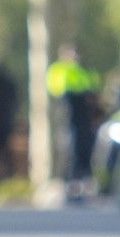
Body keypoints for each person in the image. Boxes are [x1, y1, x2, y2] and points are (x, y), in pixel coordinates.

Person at [47, 45, 102, 197]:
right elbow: (56, 90)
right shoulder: (58, 69)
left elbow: (93, 88)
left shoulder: (84, 70)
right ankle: (69, 181)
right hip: (68, 114)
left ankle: (84, 180)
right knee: (70, 148)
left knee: (85, 147)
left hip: (84, 115)